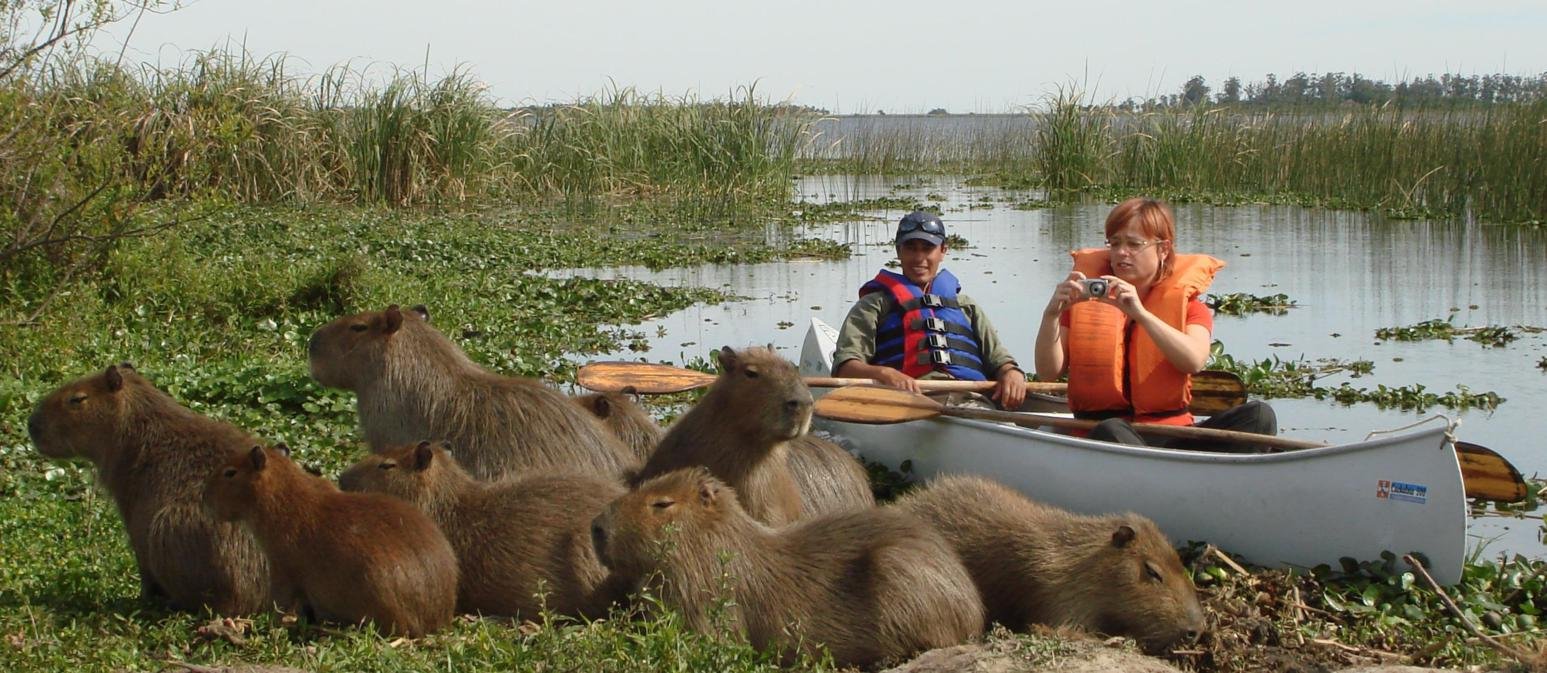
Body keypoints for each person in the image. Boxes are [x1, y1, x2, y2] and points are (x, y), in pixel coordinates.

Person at [1033, 197, 1277, 452]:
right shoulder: (1084, 303)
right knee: (1111, 428)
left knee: (1259, 415)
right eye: (1114, 243)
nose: (1121, 253)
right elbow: (1048, 372)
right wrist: (1051, 316)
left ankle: (1183, 475)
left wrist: (1142, 315)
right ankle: (1180, 480)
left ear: (1163, 249)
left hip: (1172, 435)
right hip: (1106, 438)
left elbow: (1193, 360)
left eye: (1133, 244)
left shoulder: (1190, 307)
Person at [832, 210, 1028, 410]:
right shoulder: (874, 305)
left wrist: (1011, 373)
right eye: (911, 248)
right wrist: (885, 374)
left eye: (928, 248)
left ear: (943, 251)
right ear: (899, 251)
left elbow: (999, 360)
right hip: (911, 401)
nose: (919, 258)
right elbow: (845, 367)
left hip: (973, 397)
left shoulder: (966, 306)